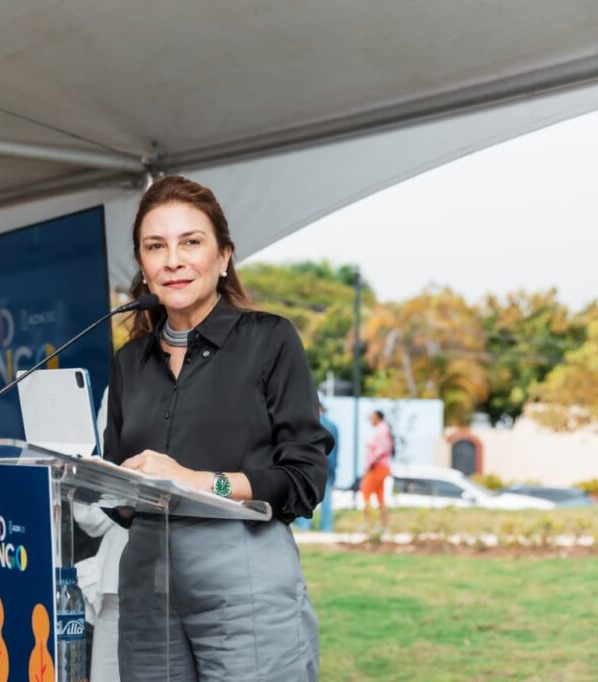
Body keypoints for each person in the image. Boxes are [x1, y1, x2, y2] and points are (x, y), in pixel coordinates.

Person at [104, 175, 332, 681]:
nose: (173, 260)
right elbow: (120, 489)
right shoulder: (129, 363)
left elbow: (304, 478)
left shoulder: (270, 340)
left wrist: (200, 482)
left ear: (224, 256)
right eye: (155, 246)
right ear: (142, 264)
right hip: (147, 580)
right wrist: (101, 486)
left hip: (244, 572)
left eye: (191, 242)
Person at [295, 403, 339, 532]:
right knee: (327, 499)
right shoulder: (333, 426)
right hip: (327, 466)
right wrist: (333, 471)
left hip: (309, 466)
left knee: (306, 496)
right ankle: (326, 527)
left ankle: (304, 526)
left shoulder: (307, 424)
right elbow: (335, 451)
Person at [361, 410, 393, 532]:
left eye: (372, 417)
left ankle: (369, 524)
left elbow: (383, 448)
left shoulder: (382, 430)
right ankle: (384, 526)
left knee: (365, 491)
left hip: (377, 466)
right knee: (380, 496)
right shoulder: (380, 429)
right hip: (379, 466)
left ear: (378, 418)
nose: (371, 419)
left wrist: (371, 462)